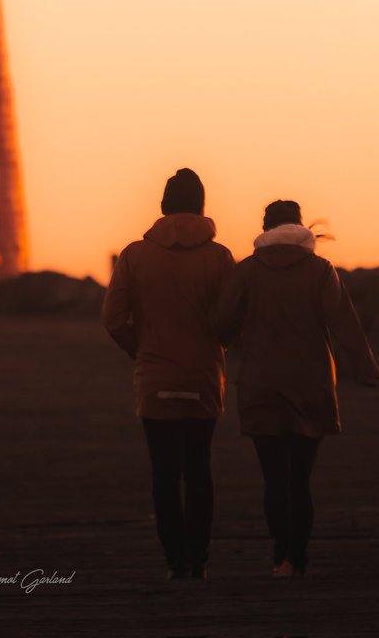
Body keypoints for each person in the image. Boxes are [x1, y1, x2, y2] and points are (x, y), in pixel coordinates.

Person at [211, 200, 379, 579]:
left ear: (265, 228)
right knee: (300, 480)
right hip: (311, 385)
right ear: (302, 227)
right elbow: (344, 323)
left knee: (274, 478)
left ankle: (280, 557)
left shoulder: (248, 270)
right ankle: (298, 557)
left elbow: (221, 321)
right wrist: (368, 369)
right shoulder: (320, 270)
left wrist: (231, 341)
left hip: (261, 385)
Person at [102, 169, 236, 580]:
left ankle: (175, 560)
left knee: (163, 472)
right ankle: (199, 557)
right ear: (201, 206)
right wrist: (217, 346)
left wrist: (141, 351)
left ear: (162, 206)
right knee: (199, 468)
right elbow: (232, 320)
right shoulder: (219, 257)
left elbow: (113, 318)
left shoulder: (135, 254)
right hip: (201, 377)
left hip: (154, 377)